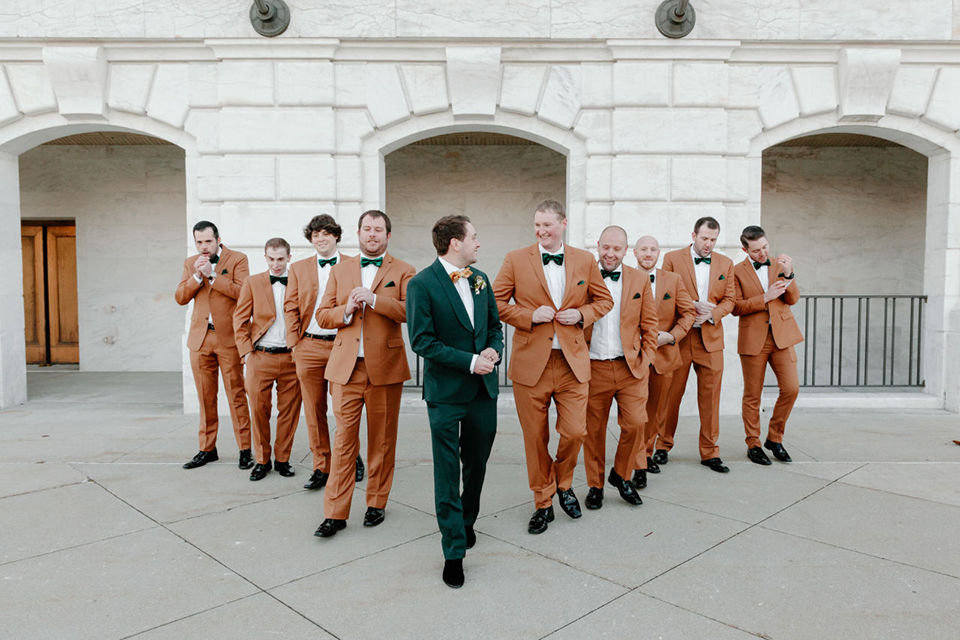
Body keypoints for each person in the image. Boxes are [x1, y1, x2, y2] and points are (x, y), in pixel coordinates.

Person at [492, 199, 613, 534]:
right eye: (537, 225)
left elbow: (604, 300)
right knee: (535, 438)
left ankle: (563, 481)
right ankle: (543, 501)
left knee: (575, 431)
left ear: (564, 224)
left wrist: (583, 314)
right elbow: (497, 302)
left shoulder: (586, 260)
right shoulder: (516, 259)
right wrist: (529, 315)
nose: (541, 231)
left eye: (547, 225)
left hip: (573, 363)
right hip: (532, 365)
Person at [407, 215, 503, 589]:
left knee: (476, 465)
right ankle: (453, 551)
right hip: (446, 394)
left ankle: (466, 522)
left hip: (483, 392)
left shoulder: (480, 280)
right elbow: (422, 341)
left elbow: (494, 325)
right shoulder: (422, 284)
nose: (479, 244)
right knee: (447, 473)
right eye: (474, 237)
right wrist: (469, 361)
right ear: (455, 243)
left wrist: (493, 350)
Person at [314, 210, 415, 538]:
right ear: (358, 233)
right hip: (346, 370)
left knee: (382, 441)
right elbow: (322, 315)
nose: (372, 235)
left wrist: (375, 299)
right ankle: (335, 513)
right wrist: (345, 310)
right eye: (367, 229)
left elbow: (411, 312)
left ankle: (376, 502)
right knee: (343, 442)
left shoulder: (403, 270)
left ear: (388, 235)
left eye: (379, 230)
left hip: (385, 369)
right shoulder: (340, 269)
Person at [284, 214, 364, 491]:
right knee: (314, 410)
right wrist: (295, 344)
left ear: (336, 236)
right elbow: (290, 307)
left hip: (343, 344)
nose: (321, 239)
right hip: (309, 345)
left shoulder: (354, 265)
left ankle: (351, 458)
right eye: (316, 235)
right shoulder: (297, 268)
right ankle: (322, 466)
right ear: (311, 238)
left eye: (326, 233)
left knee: (345, 409)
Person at [581, 226, 658, 510]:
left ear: (626, 251)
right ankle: (595, 485)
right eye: (606, 248)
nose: (610, 254)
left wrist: (646, 358)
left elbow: (650, 324)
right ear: (598, 245)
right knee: (593, 431)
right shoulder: (583, 276)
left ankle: (621, 475)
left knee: (637, 424)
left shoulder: (639, 279)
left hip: (631, 368)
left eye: (617, 249)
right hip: (593, 367)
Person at [658, 217, 735, 473]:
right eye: (704, 239)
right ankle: (662, 446)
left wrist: (712, 313)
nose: (708, 244)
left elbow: (730, 299)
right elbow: (665, 294)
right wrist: (692, 305)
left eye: (713, 240)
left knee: (711, 399)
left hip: (711, 340)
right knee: (670, 396)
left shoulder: (726, 263)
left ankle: (710, 453)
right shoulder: (672, 258)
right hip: (679, 338)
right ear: (694, 235)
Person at [175, 221, 253, 471]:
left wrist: (212, 274)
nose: (203, 247)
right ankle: (207, 449)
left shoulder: (238, 259)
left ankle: (245, 449)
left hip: (228, 339)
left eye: (208, 241)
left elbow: (243, 293)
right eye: (199, 242)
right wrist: (197, 276)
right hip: (200, 340)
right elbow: (180, 297)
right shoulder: (191, 263)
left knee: (236, 396)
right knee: (205, 398)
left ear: (219, 239)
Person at [233, 238, 302, 481]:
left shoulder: (299, 280)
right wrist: (246, 353)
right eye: (271, 259)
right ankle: (262, 460)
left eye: (280, 259)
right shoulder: (252, 282)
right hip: (260, 356)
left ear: (289, 258)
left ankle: (283, 459)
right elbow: (240, 319)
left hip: (292, 358)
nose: (276, 264)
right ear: (265, 258)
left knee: (289, 412)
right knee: (259, 410)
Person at [732, 225, 803, 465]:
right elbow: (736, 307)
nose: (762, 254)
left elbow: (792, 299)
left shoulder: (779, 264)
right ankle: (753, 443)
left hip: (782, 336)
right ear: (745, 249)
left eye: (765, 247)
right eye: (756, 251)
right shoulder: (736, 272)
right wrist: (765, 297)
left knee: (791, 388)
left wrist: (789, 274)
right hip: (753, 338)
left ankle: (775, 437)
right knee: (753, 395)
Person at [631, 235, 696, 489]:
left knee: (655, 411)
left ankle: (645, 456)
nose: (648, 253)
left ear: (659, 254)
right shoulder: (625, 278)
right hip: (631, 357)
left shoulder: (673, 280)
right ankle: (635, 457)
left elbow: (688, 312)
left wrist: (672, 336)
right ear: (634, 253)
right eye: (644, 249)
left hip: (663, 356)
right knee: (634, 413)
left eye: (653, 249)